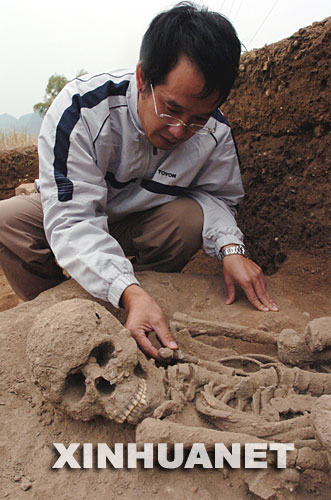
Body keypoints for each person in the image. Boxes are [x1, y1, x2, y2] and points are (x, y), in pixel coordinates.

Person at [0, 2, 278, 360]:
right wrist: (126, 289)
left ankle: (145, 297)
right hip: (78, 212)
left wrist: (231, 248)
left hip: (143, 222)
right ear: (143, 78)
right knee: (7, 222)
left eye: (198, 118)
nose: (180, 130)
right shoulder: (81, 110)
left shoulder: (215, 133)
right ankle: (60, 312)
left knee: (190, 219)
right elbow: (72, 220)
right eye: (171, 109)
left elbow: (219, 200)